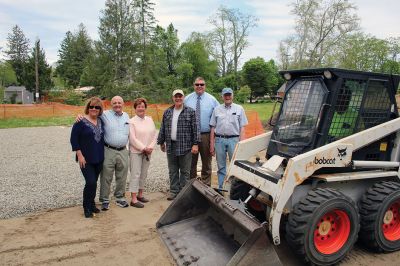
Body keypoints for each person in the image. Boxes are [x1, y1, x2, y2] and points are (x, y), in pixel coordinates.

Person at [157, 89, 200, 201]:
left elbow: (195, 129)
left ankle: (183, 193)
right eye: (176, 96)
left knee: (185, 172)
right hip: (171, 145)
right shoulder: (168, 112)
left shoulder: (190, 112)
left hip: (186, 146)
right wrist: (161, 142)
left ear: (183, 97)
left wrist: (195, 144)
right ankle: (174, 191)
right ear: (173, 98)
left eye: (180, 96)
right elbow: (163, 128)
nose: (178, 98)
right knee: (173, 170)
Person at [70, 97, 104, 218]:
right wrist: (80, 156)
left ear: (100, 109)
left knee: (94, 183)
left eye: (97, 107)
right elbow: (74, 140)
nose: (94, 109)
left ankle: (92, 204)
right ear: (88, 108)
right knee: (90, 182)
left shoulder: (101, 121)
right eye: (91, 106)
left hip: (99, 158)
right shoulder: (80, 122)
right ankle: (86, 207)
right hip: (86, 159)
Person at [210, 88, 248, 190]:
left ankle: (233, 188)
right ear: (222, 96)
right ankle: (222, 187)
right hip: (219, 140)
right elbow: (213, 127)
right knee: (221, 166)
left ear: (232, 95)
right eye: (225, 95)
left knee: (235, 165)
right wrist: (211, 145)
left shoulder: (239, 109)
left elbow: (242, 128)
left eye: (229, 95)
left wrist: (242, 145)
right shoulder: (217, 109)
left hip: (234, 140)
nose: (227, 97)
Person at [184, 77, 219, 185]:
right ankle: (191, 184)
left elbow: (219, 116)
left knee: (207, 162)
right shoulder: (187, 99)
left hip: (206, 135)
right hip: (190, 135)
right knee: (190, 162)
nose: (199, 86)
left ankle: (206, 185)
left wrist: (215, 135)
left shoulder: (212, 100)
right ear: (193, 85)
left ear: (205, 86)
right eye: (197, 84)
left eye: (202, 84)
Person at [99, 96, 130, 210]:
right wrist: (80, 116)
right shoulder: (104, 114)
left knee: (122, 175)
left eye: (119, 103)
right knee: (106, 175)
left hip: (123, 150)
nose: (117, 105)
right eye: (115, 103)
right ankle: (104, 199)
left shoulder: (127, 116)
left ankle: (120, 198)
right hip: (109, 150)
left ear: (123, 104)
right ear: (111, 104)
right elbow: (91, 115)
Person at [128, 98, 157, 208]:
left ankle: (140, 195)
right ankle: (134, 198)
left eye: (142, 106)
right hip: (136, 151)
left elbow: (154, 135)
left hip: (148, 152)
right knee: (135, 174)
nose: (141, 108)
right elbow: (132, 138)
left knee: (144, 173)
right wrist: (143, 148)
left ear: (145, 108)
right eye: (138, 106)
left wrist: (150, 147)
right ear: (135, 108)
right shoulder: (131, 121)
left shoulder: (150, 119)